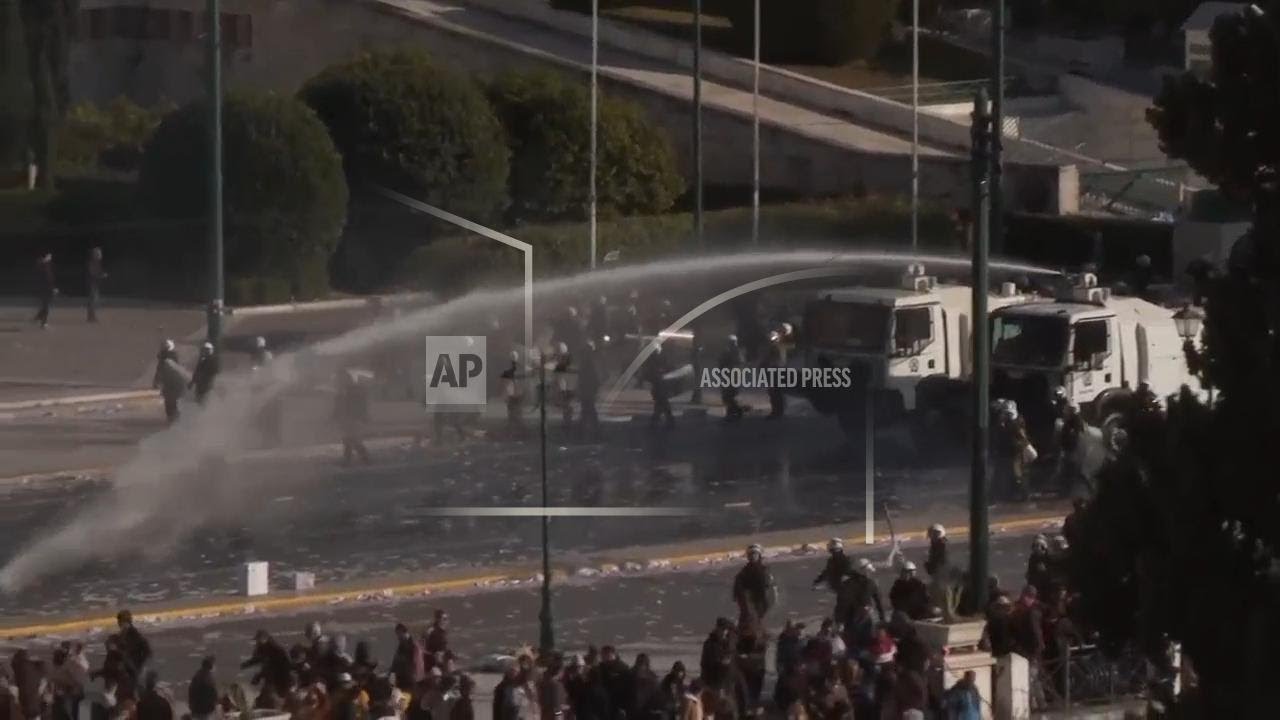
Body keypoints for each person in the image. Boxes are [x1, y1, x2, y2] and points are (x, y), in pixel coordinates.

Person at [334, 368, 372, 466]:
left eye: (340, 378)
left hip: (354, 419)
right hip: (347, 419)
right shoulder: (342, 392)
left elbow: (360, 405)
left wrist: (362, 417)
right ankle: (352, 460)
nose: (338, 381)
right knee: (348, 440)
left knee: (353, 440)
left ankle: (363, 459)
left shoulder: (355, 391)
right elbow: (338, 407)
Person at [732, 544, 776, 626]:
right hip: (750, 601)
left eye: (754, 554)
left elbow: (770, 588)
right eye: (750, 554)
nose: (752, 556)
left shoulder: (765, 571)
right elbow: (739, 589)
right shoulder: (744, 572)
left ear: (759, 555)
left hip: (762, 600)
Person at [242, 630, 292, 699]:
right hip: (272, 678)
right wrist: (245, 665)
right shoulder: (262, 648)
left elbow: (283, 666)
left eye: (258, 640)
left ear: (264, 639)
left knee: (274, 696)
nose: (257, 642)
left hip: (280, 679)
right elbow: (258, 659)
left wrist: (260, 675)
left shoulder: (276, 650)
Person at [152, 339, 185, 424]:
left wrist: (156, 381)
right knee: (171, 400)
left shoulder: (167, 358)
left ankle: (172, 417)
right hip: (171, 382)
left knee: (170, 400)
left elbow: (160, 371)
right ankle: (173, 417)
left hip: (170, 382)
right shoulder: (171, 357)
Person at [643, 345, 675, 430]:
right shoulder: (655, 358)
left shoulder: (655, 358)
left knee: (660, 400)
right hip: (659, 382)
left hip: (659, 382)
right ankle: (665, 417)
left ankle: (659, 417)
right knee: (662, 400)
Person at [391, 623, 426, 692]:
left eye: (398, 634)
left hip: (407, 677)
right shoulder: (404, 643)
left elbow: (405, 661)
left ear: (402, 632)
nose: (397, 637)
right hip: (407, 676)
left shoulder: (408, 644)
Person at [717, 335, 745, 422]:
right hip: (728, 376)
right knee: (728, 396)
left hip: (731, 376)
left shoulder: (734, 352)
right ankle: (734, 411)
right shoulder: (731, 351)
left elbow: (738, 363)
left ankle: (734, 412)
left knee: (728, 396)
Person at [577, 340, 601, 439]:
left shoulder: (586, 362)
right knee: (589, 409)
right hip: (588, 388)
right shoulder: (591, 361)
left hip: (587, 389)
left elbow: (586, 376)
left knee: (588, 409)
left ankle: (588, 431)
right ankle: (592, 430)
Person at [761, 330, 787, 419]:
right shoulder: (774, 347)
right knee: (774, 393)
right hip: (774, 371)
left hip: (775, 372)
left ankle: (777, 412)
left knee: (775, 393)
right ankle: (777, 411)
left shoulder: (777, 348)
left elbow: (776, 361)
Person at [500, 352, 525, 434]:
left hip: (515, 392)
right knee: (514, 410)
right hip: (514, 392)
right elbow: (505, 382)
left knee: (515, 410)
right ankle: (515, 428)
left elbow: (504, 382)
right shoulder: (517, 368)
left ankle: (515, 428)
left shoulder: (513, 369)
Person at [1026, 535, 1054, 601]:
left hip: (1048, 585)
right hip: (1036, 584)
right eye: (1035, 546)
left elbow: (1054, 571)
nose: (1036, 548)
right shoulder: (1033, 557)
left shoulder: (1049, 556)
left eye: (1038, 546)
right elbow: (1031, 571)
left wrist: (1046, 570)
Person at [34, 252, 57, 328]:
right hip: (45, 289)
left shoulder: (43, 264)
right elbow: (48, 278)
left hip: (43, 288)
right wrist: (53, 288)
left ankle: (38, 318)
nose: (50, 257)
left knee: (45, 306)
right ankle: (43, 323)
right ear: (46, 256)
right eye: (49, 256)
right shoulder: (44, 265)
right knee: (46, 306)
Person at [86, 247, 106, 323]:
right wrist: (101, 275)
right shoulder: (92, 262)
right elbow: (92, 273)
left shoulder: (97, 262)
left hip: (94, 283)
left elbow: (97, 272)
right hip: (92, 283)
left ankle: (91, 316)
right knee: (93, 300)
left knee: (94, 300)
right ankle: (91, 317)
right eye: (99, 253)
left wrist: (101, 274)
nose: (100, 255)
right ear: (95, 255)